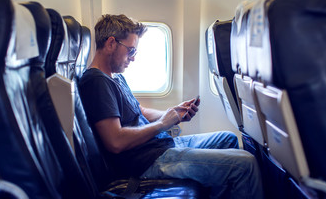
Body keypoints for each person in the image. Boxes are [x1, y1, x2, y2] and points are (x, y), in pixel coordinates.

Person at [79, 14, 264, 199]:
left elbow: (139, 111)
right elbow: (115, 141)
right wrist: (163, 124)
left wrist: (174, 113)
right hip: (148, 160)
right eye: (131, 51)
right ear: (111, 43)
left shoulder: (115, 77)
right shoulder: (96, 82)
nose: (133, 58)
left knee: (228, 139)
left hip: (160, 145)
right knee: (245, 165)